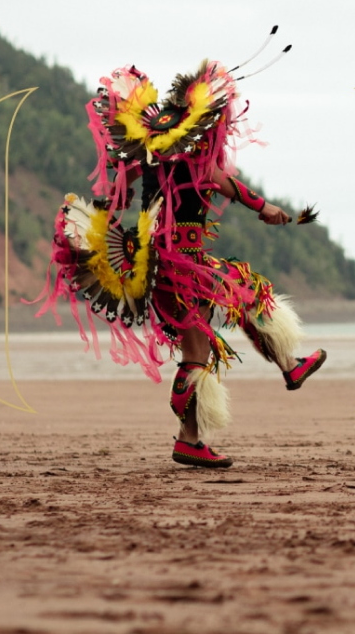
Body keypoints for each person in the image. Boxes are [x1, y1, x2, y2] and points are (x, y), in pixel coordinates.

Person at [36, 56, 325, 469]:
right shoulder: (195, 160)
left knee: (216, 330)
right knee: (231, 310)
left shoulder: (145, 159)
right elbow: (227, 183)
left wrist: (108, 216)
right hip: (181, 266)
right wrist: (266, 208)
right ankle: (268, 382)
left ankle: (270, 380)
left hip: (160, 266)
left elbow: (118, 194)